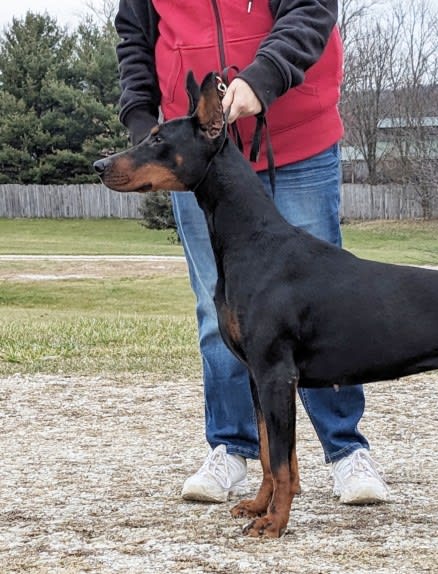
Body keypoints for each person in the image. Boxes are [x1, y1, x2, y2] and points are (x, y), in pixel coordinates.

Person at [113, 0, 389, 505]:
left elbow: (310, 12)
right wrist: (143, 128)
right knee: (218, 310)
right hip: (198, 156)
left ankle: (345, 451)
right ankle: (231, 447)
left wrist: (263, 80)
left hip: (295, 133)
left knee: (326, 303)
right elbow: (134, 37)